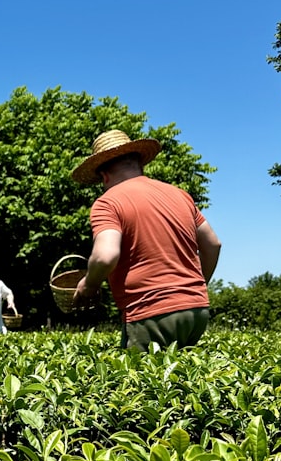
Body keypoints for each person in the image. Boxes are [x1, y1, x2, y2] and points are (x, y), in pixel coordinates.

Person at [70, 129, 222, 350]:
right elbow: (213, 244)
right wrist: (195, 287)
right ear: (140, 164)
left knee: (136, 382)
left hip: (151, 311)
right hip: (197, 311)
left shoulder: (108, 202)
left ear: (104, 176)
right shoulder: (180, 194)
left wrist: (89, 284)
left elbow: (105, 256)